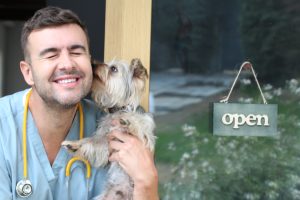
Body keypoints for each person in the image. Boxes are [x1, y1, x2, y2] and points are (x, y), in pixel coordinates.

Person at [0, 6, 159, 200]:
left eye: (76, 52)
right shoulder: (3, 126)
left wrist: (146, 183)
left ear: (89, 61)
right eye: (51, 55)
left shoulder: (115, 127)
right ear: (28, 72)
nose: (67, 64)